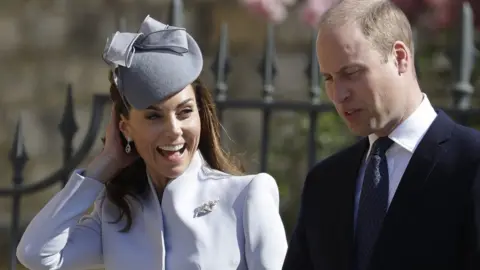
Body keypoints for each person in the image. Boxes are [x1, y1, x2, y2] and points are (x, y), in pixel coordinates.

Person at [16, 15, 288, 270]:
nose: (174, 131)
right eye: (154, 116)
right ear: (126, 128)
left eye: (185, 112)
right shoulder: (115, 212)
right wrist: (105, 164)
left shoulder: (246, 196)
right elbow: (35, 253)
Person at [282, 0, 480, 269]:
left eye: (351, 73)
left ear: (400, 58)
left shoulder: (471, 164)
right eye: (328, 78)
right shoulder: (324, 183)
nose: (339, 95)